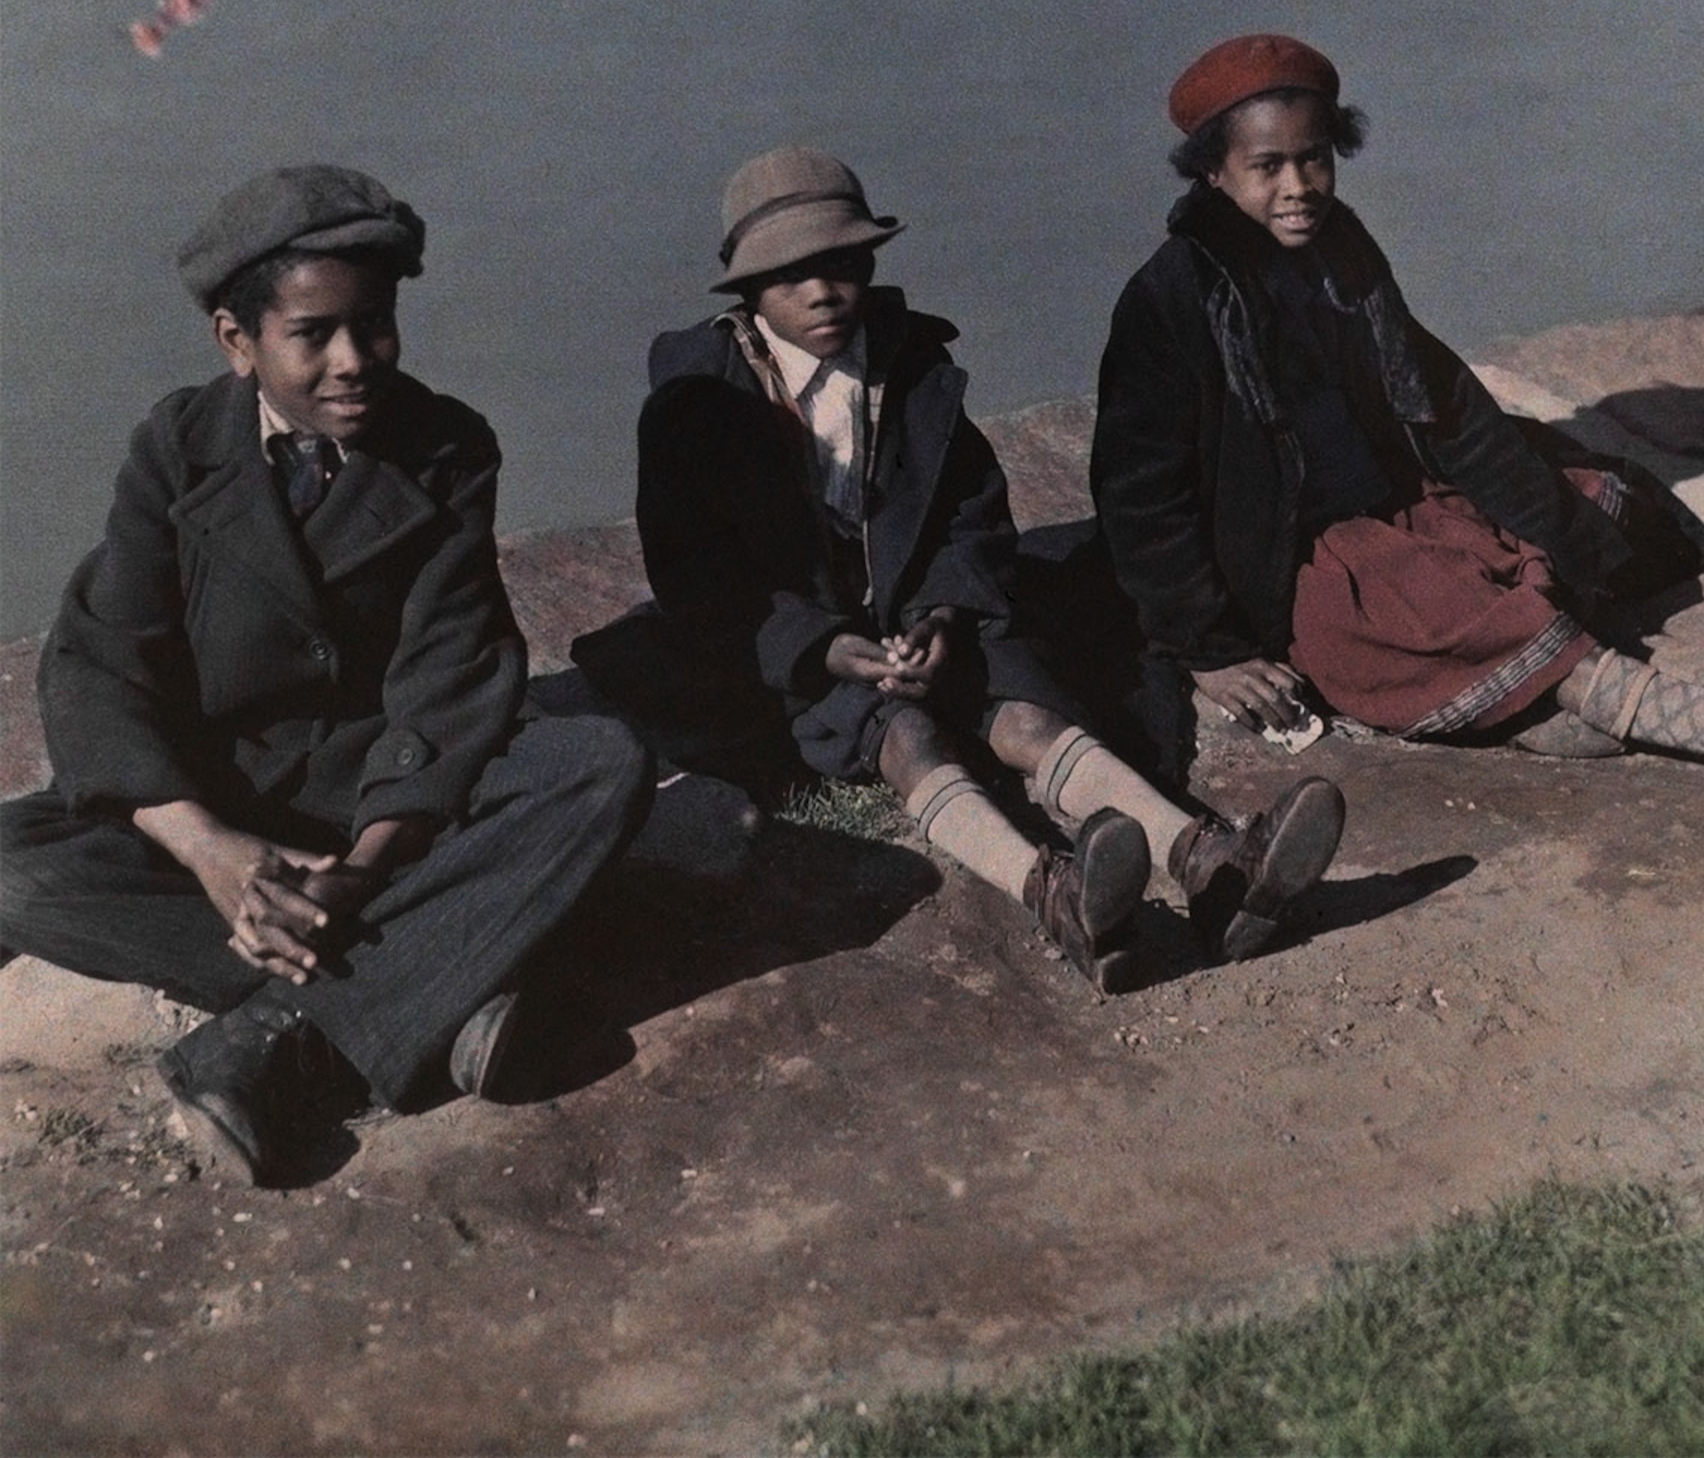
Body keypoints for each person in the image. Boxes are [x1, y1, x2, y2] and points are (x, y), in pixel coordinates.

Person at [1092, 35, 1704, 811]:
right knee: (1459, 615)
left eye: (1314, 160)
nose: (1297, 189)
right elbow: (1141, 498)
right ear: (1213, 172)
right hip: (1299, 556)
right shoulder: (1170, 302)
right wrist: (1207, 650)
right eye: (1266, 167)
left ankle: (1527, 700)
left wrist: (1558, 523)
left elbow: (1442, 399)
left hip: (1396, 498)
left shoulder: (1339, 246)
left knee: (1592, 508)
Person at [0, 166, 651, 1185]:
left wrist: (361, 873)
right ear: (236, 341)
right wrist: (216, 856)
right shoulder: (176, 449)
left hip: (381, 808)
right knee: (15, 863)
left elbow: (452, 680)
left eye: (376, 324)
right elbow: (97, 667)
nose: (355, 362)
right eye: (313, 335)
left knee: (596, 761)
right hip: (224, 808)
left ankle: (280, 1037)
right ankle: (437, 993)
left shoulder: (446, 450)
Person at [628, 147, 1347, 990]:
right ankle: (1050, 890)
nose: (822, 292)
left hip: (923, 614)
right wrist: (821, 646)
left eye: (841, 265)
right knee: (901, 734)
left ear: (869, 263)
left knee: (1024, 710)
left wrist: (941, 613)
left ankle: (1205, 860)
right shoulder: (697, 399)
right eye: (789, 278)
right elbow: (699, 579)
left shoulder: (911, 366)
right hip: (794, 647)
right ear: (748, 293)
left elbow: (972, 513)